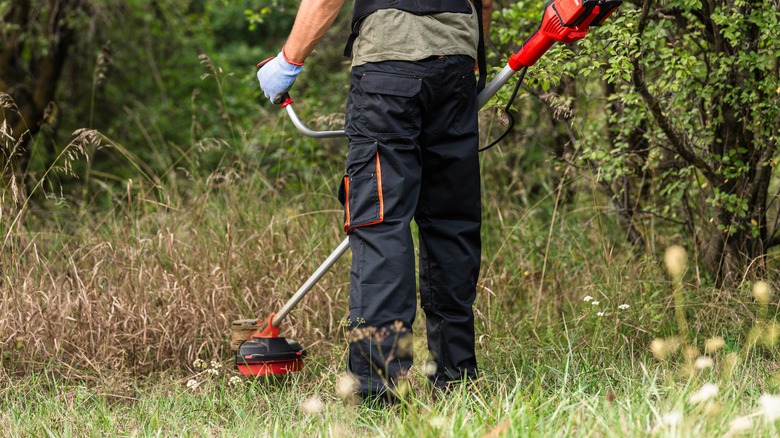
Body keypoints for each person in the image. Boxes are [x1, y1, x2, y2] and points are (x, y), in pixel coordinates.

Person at [257, 0, 492, 403]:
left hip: (389, 72)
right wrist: (467, 55)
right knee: (451, 225)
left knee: (381, 226)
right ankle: (455, 379)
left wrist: (287, 63)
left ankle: (378, 388)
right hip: (456, 67)